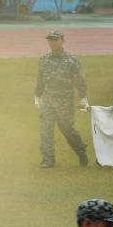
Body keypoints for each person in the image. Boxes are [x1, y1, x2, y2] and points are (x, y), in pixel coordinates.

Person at [34, 30, 90, 168]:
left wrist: (83, 97)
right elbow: (40, 79)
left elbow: (79, 80)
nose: (52, 43)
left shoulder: (71, 60)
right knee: (46, 130)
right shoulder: (44, 59)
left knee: (67, 129)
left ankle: (81, 152)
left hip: (64, 101)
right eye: (50, 40)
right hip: (48, 100)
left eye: (55, 40)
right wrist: (37, 95)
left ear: (62, 41)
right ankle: (48, 160)